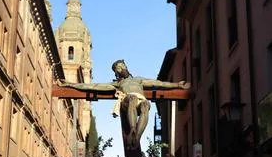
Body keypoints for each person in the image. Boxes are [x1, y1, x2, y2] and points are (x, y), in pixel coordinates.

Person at [58, 59, 190, 150]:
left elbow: (159, 83)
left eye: (122, 65)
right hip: (128, 101)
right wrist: (71, 84)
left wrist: (177, 85)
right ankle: (133, 128)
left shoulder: (139, 80)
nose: (122, 68)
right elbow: (94, 86)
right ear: (116, 72)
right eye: (118, 67)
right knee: (132, 98)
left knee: (145, 105)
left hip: (140, 100)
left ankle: (137, 136)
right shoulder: (117, 84)